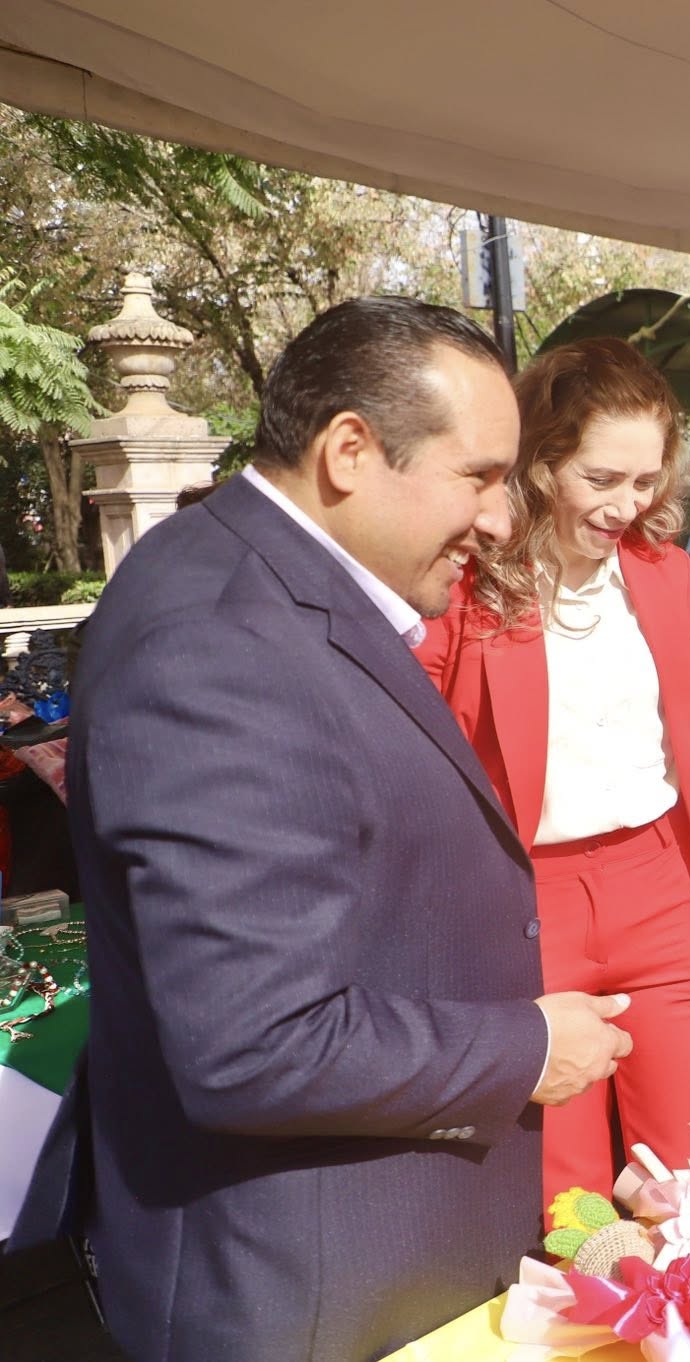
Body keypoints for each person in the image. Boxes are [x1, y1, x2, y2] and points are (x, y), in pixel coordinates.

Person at [46, 298, 630, 1361]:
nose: (501, 520)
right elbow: (255, 1042)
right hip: (303, 1294)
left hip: (363, 1261)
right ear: (350, 451)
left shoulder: (270, 592)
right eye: (479, 476)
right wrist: (529, 1047)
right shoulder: (219, 641)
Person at [416, 338, 690, 1199]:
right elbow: (416, 762)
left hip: (670, 887)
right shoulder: (466, 585)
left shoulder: (667, 572)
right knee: (559, 1194)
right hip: (526, 905)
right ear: (539, 463)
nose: (627, 505)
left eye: (645, 480)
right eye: (601, 479)